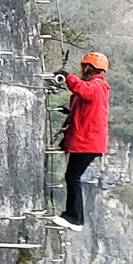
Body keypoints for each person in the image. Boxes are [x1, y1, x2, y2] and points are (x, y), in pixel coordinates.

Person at [48, 51, 110, 231]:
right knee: (73, 176)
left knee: (73, 176)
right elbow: (87, 106)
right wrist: (70, 111)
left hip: (87, 143)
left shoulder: (97, 86)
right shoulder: (98, 87)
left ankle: (75, 218)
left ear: (88, 68)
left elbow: (84, 91)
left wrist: (68, 78)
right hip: (89, 142)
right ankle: (74, 217)